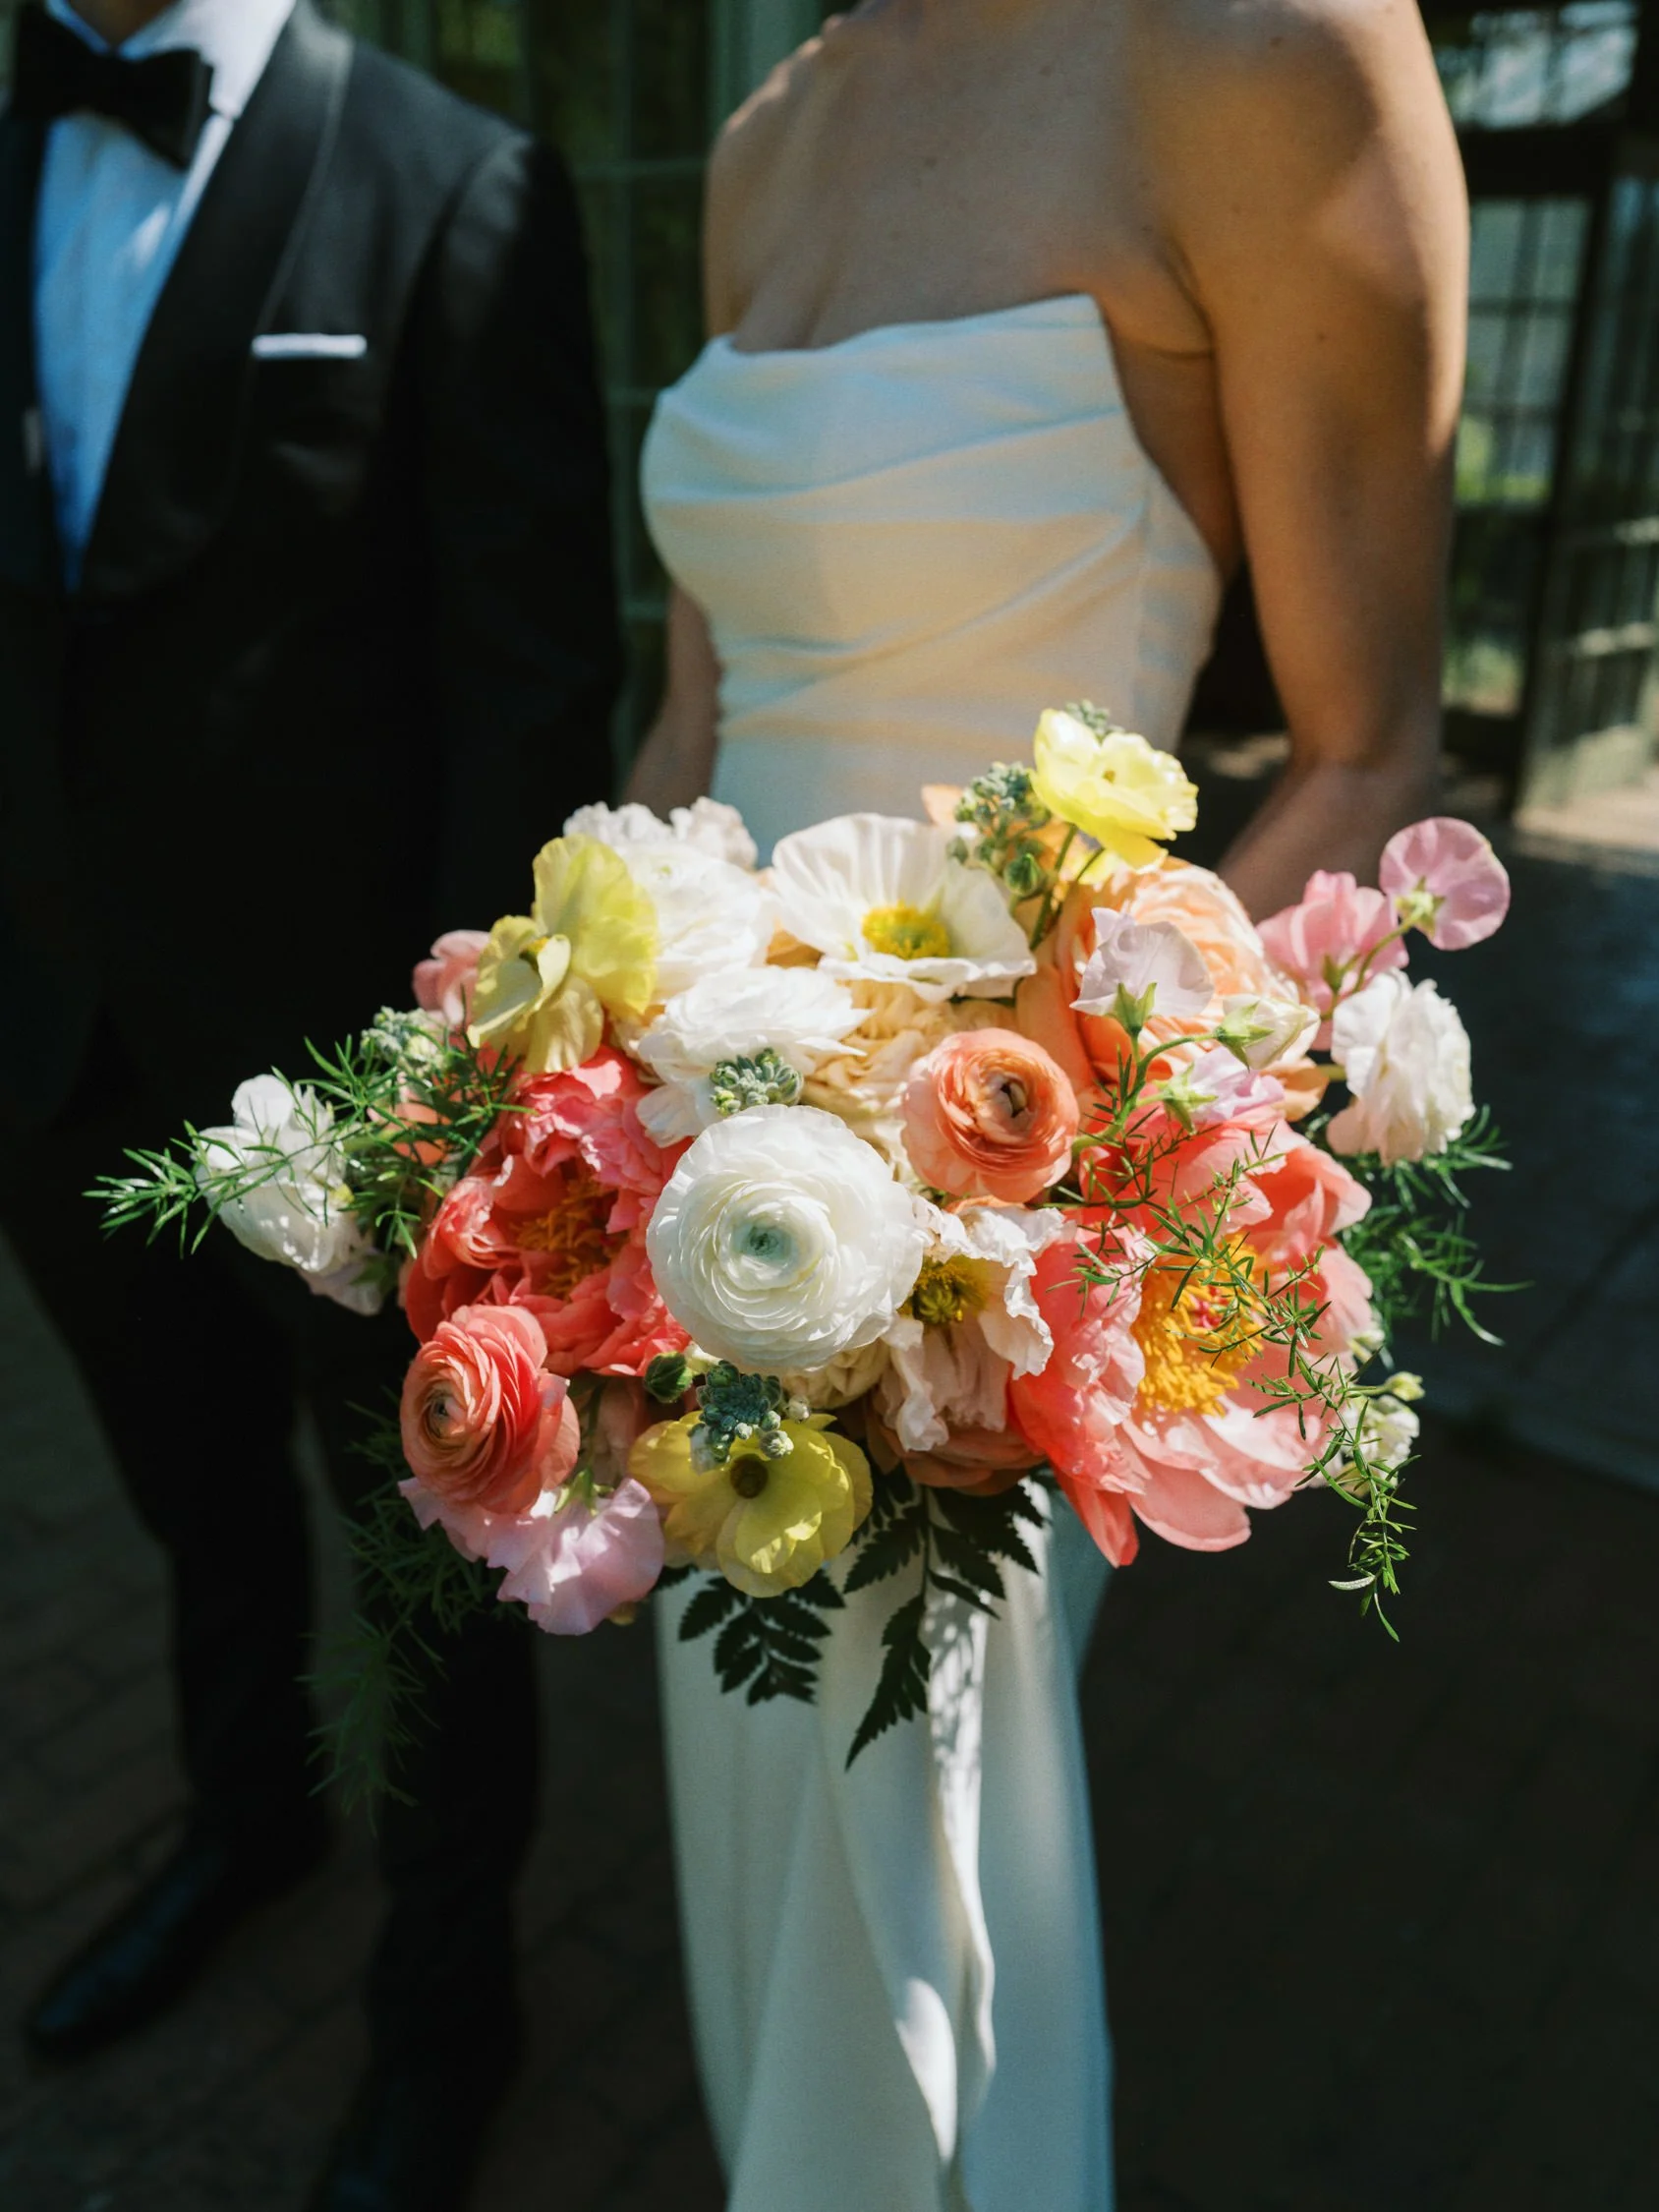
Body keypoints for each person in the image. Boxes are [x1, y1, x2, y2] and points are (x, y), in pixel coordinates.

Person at [626, 1, 1466, 2205]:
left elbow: (1369, 749)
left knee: (922, 1859)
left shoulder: (1266, 46)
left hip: (997, 1225)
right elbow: (699, 720)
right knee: (756, 1830)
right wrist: (564, 1092)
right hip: (700, 1195)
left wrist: (998, 1209)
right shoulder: (767, 132)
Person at [0, 3, 619, 2208]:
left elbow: (536, 684)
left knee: (429, 1577)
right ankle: (247, 1825)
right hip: (52, 1061)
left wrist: (446, 1116)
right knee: (193, 1507)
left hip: (352, 1102)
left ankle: (450, 2015)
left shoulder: (460, 181)